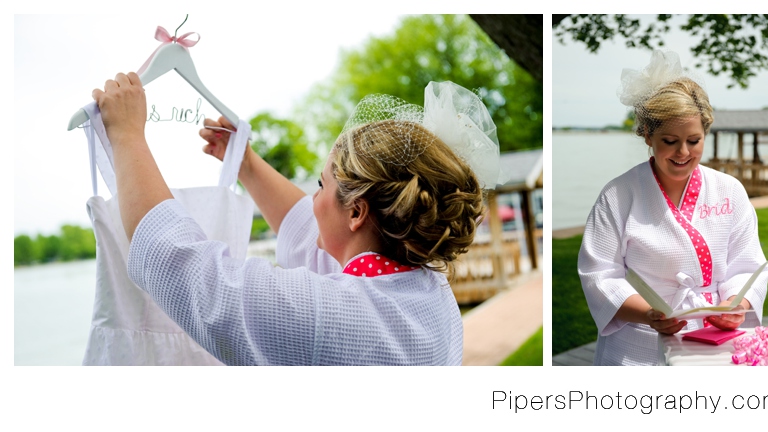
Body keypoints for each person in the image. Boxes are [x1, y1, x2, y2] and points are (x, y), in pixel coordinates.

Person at [91, 74, 503, 365]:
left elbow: (184, 270)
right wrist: (246, 164)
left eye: (321, 186)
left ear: (358, 212)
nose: (313, 199)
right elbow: (309, 229)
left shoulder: (334, 317)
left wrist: (127, 135)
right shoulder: (428, 291)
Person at [577, 50, 768, 366]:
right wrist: (648, 313)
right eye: (669, 141)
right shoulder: (618, 195)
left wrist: (737, 303)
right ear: (648, 135)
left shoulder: (729, 190)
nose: (683, 152)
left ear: (705, 134)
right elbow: (599, 273)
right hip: (637, 343)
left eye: (694, 141)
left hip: (713, 337)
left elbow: (746, 264)